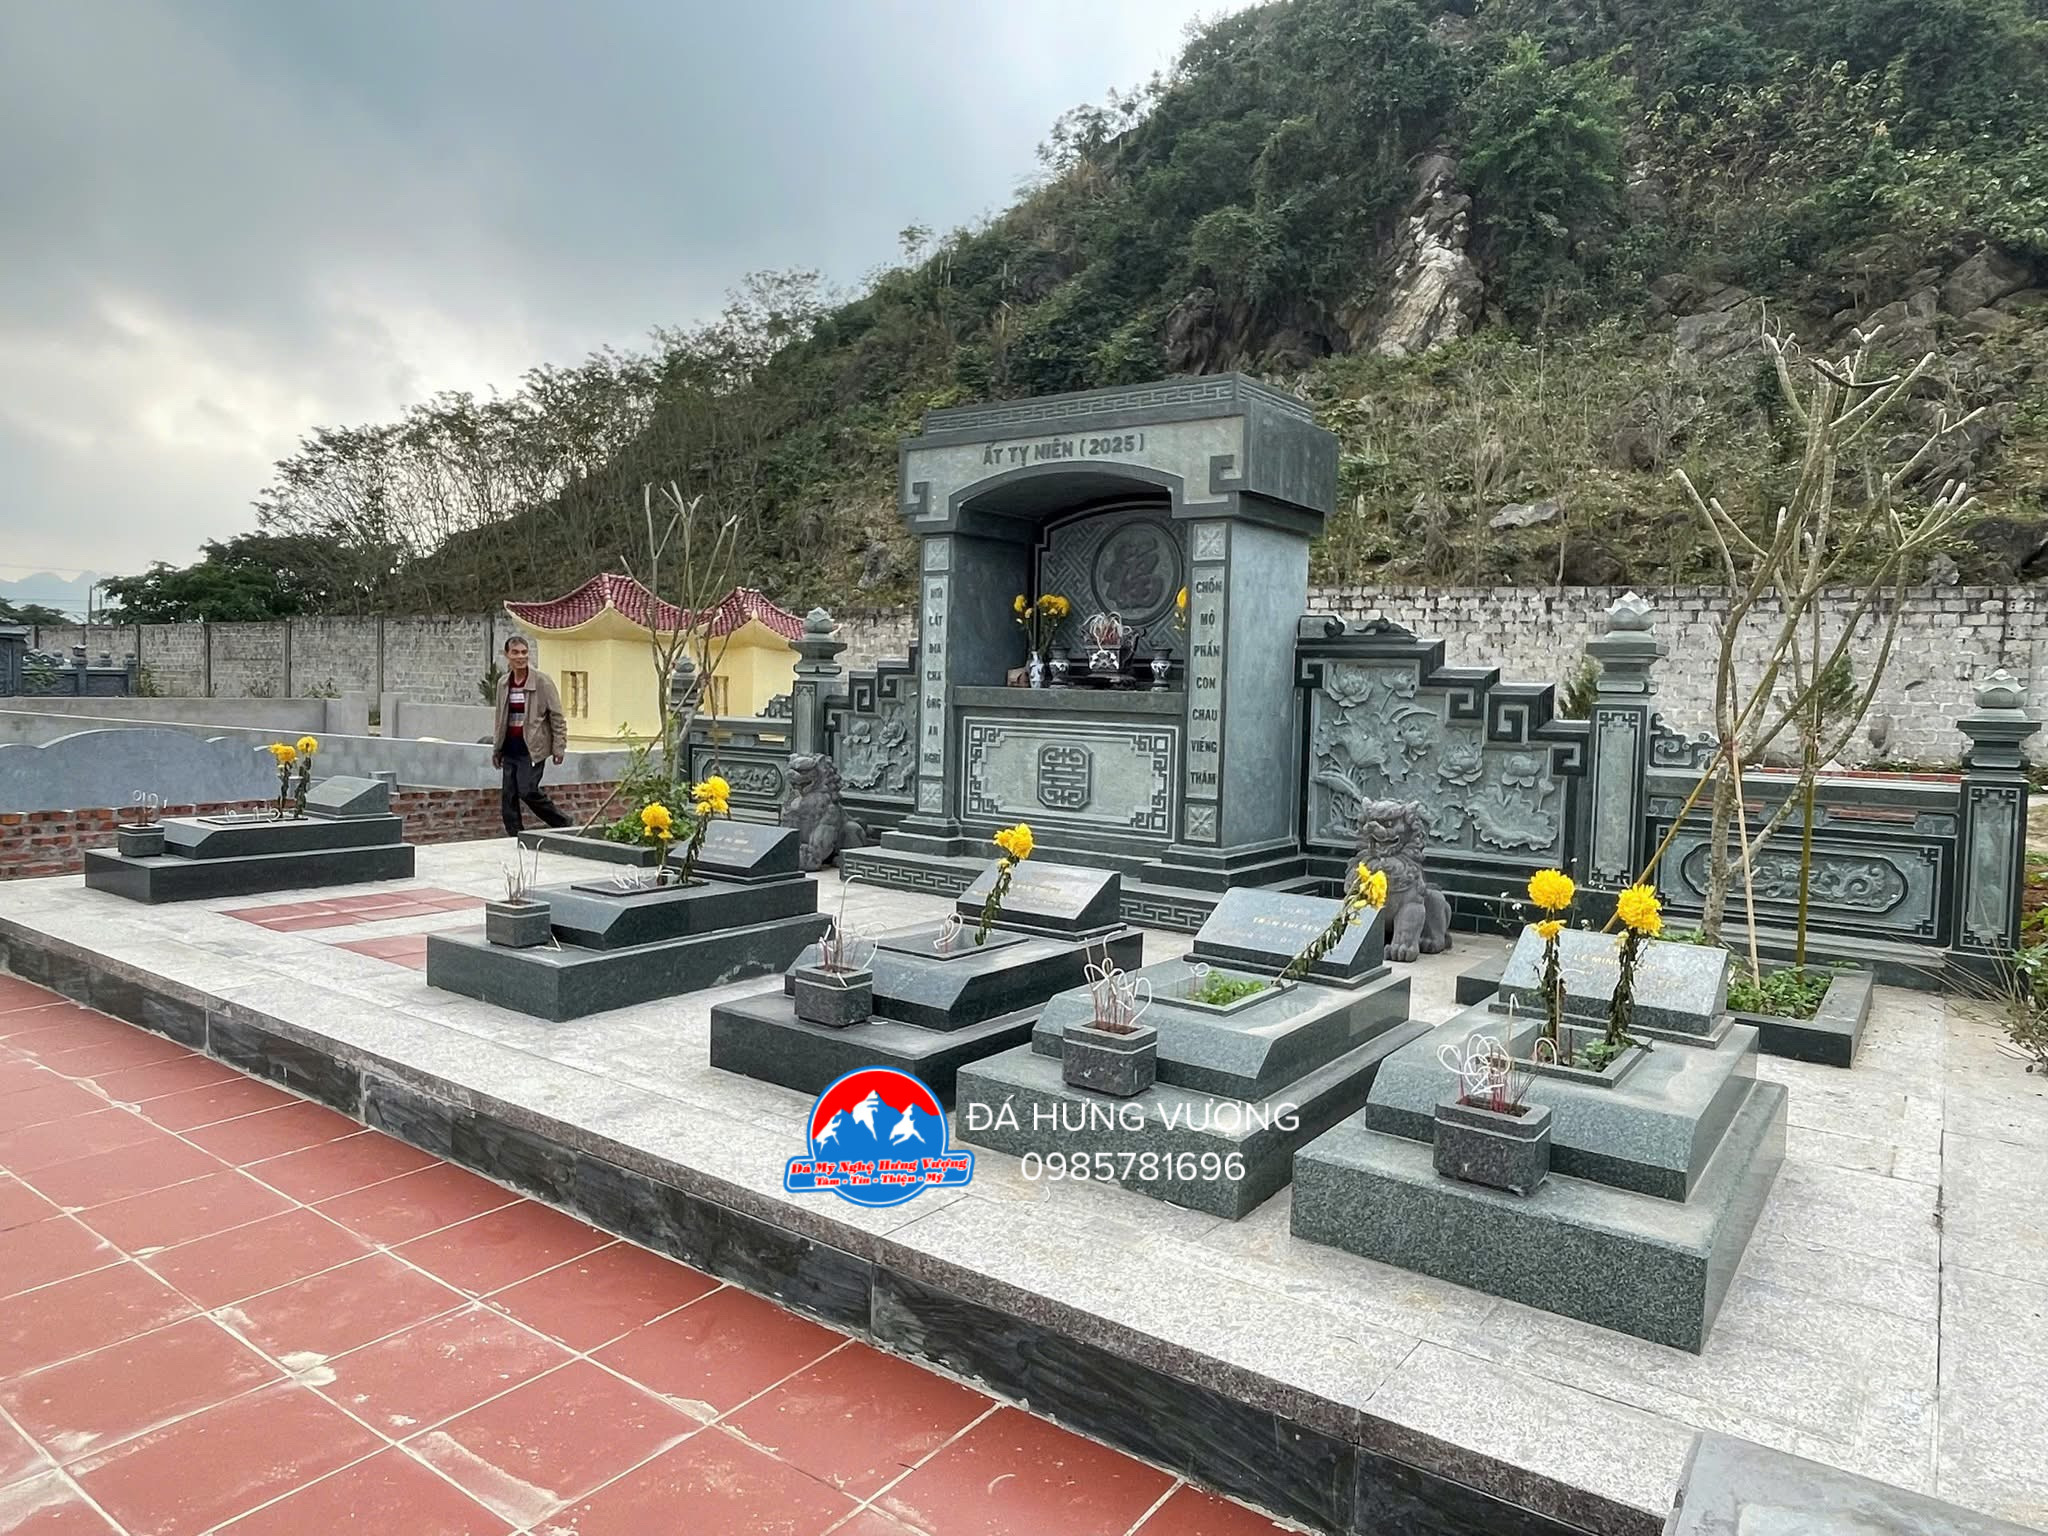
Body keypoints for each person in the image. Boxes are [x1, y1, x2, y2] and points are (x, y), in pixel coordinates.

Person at [492, 635, 572, 837]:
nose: (520, 657)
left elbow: (556, 716)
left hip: (533, 747)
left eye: (524, 652)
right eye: (515, 652)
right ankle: (515, 836)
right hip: (510, 747)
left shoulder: (542, 681)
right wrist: (497, 748)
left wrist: (559, 747)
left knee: (527, 790)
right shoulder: (503, 683)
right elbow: (500, 718)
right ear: (507, 655)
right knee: (508, 797)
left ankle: (563, 822)